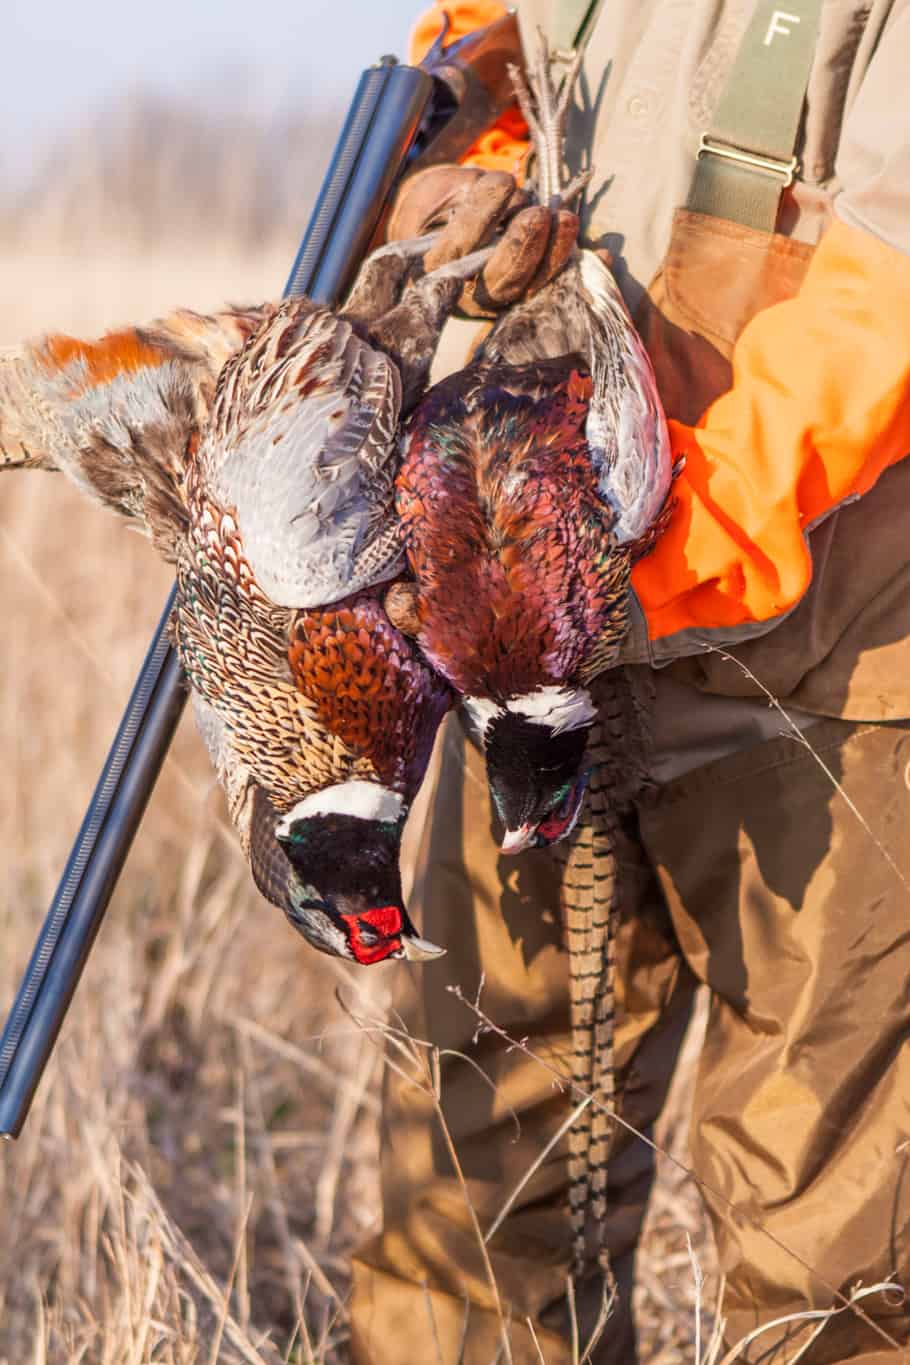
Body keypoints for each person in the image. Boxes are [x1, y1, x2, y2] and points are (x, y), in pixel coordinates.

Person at [350, 2, 910, 1361]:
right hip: (530, 648)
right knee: (470, 1219)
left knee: (828, 1247)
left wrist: (590, 566)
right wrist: (445, 182)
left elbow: (885, 286)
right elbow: (523, 92)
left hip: (829, 675)